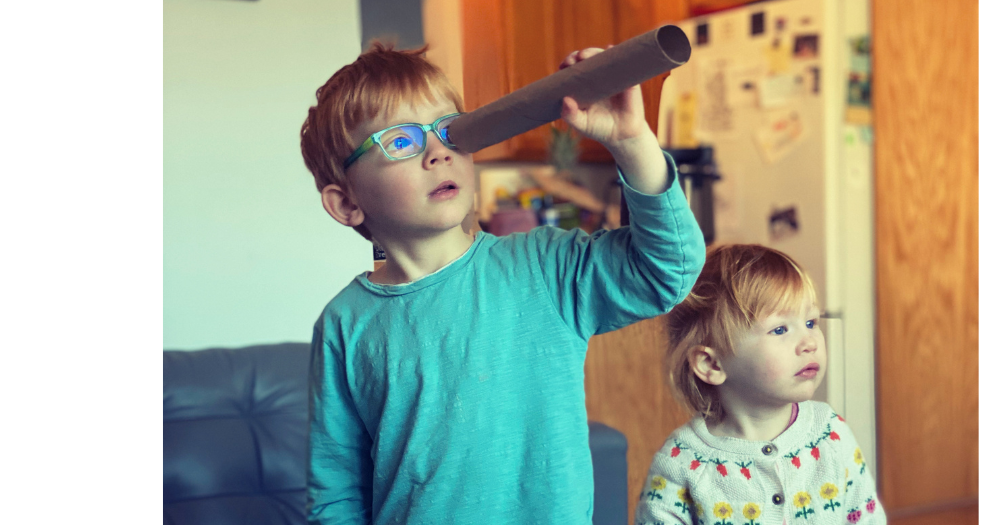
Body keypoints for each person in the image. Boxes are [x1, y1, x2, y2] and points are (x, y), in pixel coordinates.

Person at [298, 40, 705, 524]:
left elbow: (667, 271)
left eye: (449, 130)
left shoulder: (544, 268)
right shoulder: (344, 323)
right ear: (347, 204)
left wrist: (631, 141)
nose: (437, 153)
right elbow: (337, 491)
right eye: (401, 141)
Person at [635, 245, 885, 524]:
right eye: (780, 329)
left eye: (811, 322)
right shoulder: (679, 463)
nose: (810, 342)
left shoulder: (830, 433)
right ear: (712, 365)